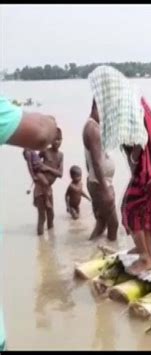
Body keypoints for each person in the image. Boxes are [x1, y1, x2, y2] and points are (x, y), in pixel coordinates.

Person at [88, 65, 151, 275]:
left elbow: (141, 136)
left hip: (148, 167)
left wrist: (135, 156)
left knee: (129, 209)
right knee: (144, 211)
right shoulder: (138, 99)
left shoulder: (126, 104)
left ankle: (146, 257)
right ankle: (150, 258)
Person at [0, 96, 58, 351]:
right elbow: (39, 133)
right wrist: (51, 123)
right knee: (42, 218)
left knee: (49, 219)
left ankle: (46, 240)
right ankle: (42, 238)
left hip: (46, 189)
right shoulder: (36, 159)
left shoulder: (51, 157)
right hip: (41, 190)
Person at [83, 100, 119, 241]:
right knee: (113, 224)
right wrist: (105, 190)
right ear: (95, 107)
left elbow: (89, 161)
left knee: (101, 223)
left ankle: (90, 250)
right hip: (100, 184)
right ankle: (112, 254)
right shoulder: (92, 129)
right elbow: (97, 164)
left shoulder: (95, 126)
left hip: (98, 182)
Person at [33, 128, 63, 235]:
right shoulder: (45, 151)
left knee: (51, 215)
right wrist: (36, 174)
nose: (57, 142)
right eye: (55, 140)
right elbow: (34, 162)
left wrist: (47, 168)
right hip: (40, 187)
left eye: (59, 139)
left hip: (49, 188)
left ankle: (50, 242)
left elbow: (60, 174)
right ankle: (40, 243)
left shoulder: (60, 156)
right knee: (42, 217)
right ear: (50, 141)